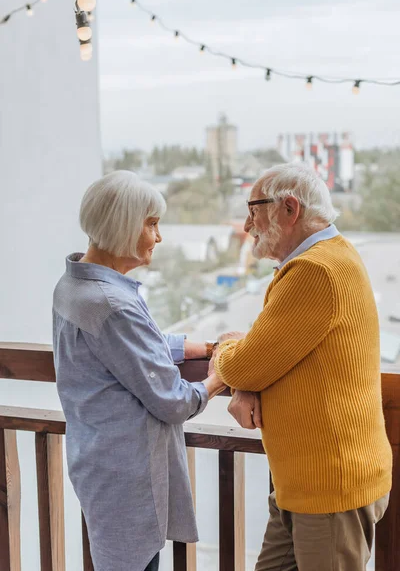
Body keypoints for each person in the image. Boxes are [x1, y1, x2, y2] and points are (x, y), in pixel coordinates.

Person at [209, 162, 392, 571]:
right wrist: (245, 378)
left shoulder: (315, 271)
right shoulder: (327, 258)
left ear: (289, 209)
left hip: (330, 489)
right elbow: (261, 361)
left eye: (253, 209)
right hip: (307, 483)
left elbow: (245, 365)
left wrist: (226, 350)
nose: (247, 223)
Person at [53, 170, 225, 571]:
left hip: (97, 462)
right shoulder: (113, 304)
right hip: (126, 478)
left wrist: (195, 347)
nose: (158, 237)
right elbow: (172, 401)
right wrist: (220, 376)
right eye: (152, 223)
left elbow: (125, 351)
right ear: (124, 225)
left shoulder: (73, 286)